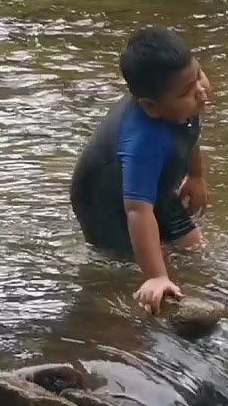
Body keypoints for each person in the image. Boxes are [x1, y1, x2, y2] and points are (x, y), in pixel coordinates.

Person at [70, 27, 211, 315]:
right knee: (124, 266)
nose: (200, 90)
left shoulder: (184, 103)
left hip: (156, 182)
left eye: (198, 74)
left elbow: (190, 136)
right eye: (187, 90)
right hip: (104, 199)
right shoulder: (143, 142)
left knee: (194, 251)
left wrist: (195, 177)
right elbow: (137, 210)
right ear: (151, 106)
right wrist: (156, 276)